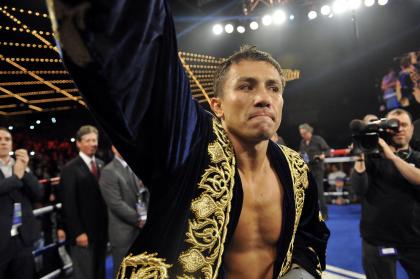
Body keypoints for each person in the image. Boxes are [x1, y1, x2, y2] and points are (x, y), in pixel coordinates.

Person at [47, 1, 330, 278]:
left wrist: (300, 274)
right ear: (217, 106)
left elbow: (311, 236)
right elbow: (146, 60)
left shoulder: (296, 170)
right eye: (246, 86)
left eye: (274, 88)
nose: (262, 99)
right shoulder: (190, 146)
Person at [351, 108, 420, 279]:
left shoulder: (417, 157)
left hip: (415, 239)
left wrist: (393, 157)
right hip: (376, 239)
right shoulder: (372, 158)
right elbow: (358, 189)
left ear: (412, 128)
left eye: (404, 125)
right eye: (394, 126)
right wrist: (360, 155)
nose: (400, 129)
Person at [59, 125, 107, 279]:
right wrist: (78, 232)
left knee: (100, 272)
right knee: (85, 274)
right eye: (88, 140)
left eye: (95, 140)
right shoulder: (69, 169)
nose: (93, 143)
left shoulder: (101, 164)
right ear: (78, 143)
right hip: (83, 234)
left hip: (101, 232)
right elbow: (68, 204)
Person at [99, 146, 149, 278]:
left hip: (139, 230)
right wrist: (139, 219)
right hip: (123, 232)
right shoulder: (108, 171)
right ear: (113, 149)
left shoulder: (135, 168)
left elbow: (143, 195)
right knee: (122, 271)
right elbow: (115, 203)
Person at [0, 127, 43, 279]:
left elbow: (38, 193)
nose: (4, 143)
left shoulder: (19, 165)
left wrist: (24, 171)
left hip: (23, 237)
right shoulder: (16, 171)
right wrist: (16, 178)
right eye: (0, 139)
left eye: (7, 139)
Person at [299, 123, 331, 220]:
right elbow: (302, 153)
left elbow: (328, 150)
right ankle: (312, 213)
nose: (302, 135)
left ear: (309, 132)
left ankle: (324, 213)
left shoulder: (318, 139)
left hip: (318, 168)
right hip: (308, 169)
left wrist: (322, 155)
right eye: (301, 134)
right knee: (308, 192)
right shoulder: (303, 142)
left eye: (304, 133)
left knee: (319, 191)